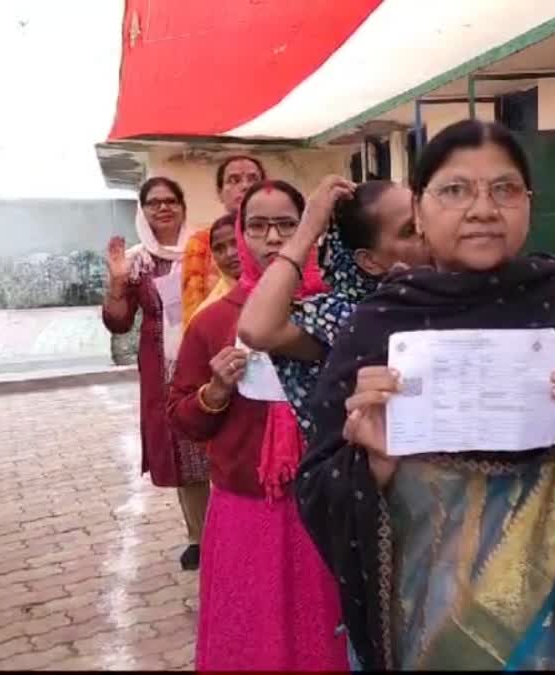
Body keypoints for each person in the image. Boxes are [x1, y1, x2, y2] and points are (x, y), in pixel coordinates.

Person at [296, 120, 555, 670]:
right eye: (455, 190)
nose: (482, 208)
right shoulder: (379, 329)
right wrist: (373, 464)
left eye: (504, 189)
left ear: (528, 204)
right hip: (427, 635)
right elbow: (316, 488)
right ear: (420, 214)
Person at [168, 179, 346, 670]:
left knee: (325, 629)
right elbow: (184, 418)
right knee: (250, 635)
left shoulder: (337, 311)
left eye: (287, 225)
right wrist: (215, 392)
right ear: (241, 235)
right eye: (259, 226)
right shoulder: (211, 322)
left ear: (310, 231)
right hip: (246, 508)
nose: (272, 238)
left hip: (325, 506)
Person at [236, 176, 430, 437]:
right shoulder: (347, 318)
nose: (427, 235)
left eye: (425, 221)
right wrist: (306, 230)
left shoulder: (459, 292)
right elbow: (257, 331)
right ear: (369, 261)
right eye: (409, 231)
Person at [102, 176, 210, 571]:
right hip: (161, 365)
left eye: (170, 201)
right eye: (153, 203)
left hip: (208, 352)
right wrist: (117, 282)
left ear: (182, 206)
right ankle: (200, 536)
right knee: (184, 450)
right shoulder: (135, 261)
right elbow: (118, 323)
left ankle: (233, 529)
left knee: (218, 444)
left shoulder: (206, 248)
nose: (163, 208)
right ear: (142, 211)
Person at [182, 156, 266, 326]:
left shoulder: (279, 235)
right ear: (220, 193)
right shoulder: (202, 242)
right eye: (233, 180)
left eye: (253, 179)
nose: (245, 186)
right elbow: (193, 310)